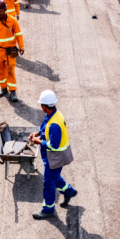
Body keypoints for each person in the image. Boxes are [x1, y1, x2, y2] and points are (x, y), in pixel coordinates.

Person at [28, 90, 77, 219]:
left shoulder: (55, 124)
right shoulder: (53, 114)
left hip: (56, 156)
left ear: (44, 106)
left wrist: (39, 142)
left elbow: (54, 145)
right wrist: (37, 133)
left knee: (49, 183)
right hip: (53, 156)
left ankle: (48, 210)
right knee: (53, 177)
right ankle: (69, 191)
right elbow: (45, 127)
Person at [0, 0, 24, 102]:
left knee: (10, 71)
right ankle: (3, 88)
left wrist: (21, 46)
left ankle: (12, 91)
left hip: (11, 50)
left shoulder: (12, 21)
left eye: (0, 11)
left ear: (5, 9)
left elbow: (18, 34)